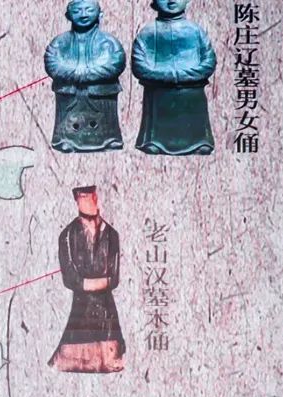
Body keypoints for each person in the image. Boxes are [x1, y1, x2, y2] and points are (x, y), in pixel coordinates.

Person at [48, 186, 126, 373]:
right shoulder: (68, 235)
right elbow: (70, 278)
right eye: (82, 197)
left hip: (107, 313)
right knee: (71, 359)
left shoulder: (111, 234)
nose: (88, 200)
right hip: (81, 310)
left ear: (96, 197)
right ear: (77, 200)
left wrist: (89, 283)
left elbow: (114, 278)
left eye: (90, 196)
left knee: (112, 361)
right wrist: (97, 283)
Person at [131, 0, 217, 155]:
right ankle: (154, 141)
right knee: (156, 131)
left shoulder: (196, 31)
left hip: (191, 91)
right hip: (158, 93)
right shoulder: (147, 33)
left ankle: (198, 141)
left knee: (194, 122)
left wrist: (183, 75)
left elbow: (209, 62)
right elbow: (139, 66)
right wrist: (167, 76)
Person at [43, 0, 126, 153]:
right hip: (69, 93)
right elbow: (52, 64)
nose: (83, 15)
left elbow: (116, 63)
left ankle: (109, 140)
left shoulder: (109, 42)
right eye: (77, 11)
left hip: (101, 93)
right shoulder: (60, 42)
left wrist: (86, 74)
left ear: (100, 14)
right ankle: (64, 139)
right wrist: (76, 73)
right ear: (68, 15)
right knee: (68, 123)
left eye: (89, 10)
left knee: (106, 122)